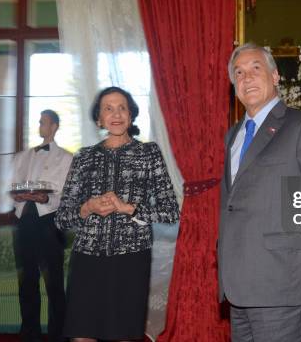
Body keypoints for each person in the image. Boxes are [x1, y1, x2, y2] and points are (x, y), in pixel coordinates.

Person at [218, 43, 301, 342]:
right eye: (239, 73)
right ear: (234, 86)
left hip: (283, 281)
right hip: (238, 285)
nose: (246, 78)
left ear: (274, 77)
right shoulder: (233, 135)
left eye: (255, 69)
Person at [55, 86, 179, 342]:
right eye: (108, 109)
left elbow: (170, 211)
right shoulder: (84, 157)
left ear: (131, 115)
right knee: (82, 335)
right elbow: (62, 217)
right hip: (86, 258)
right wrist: (87, 207)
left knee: (124, 334)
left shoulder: (149, 153)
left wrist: (129, 208)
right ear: (99, 118)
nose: (116, 114)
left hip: (131, 259)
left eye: (122, 108)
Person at [10, 109, 72, 342]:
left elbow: (65, 193)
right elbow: (12, 184)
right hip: (23, 220)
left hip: (49, 222)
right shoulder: (21, 157)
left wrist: (46, 198)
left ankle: (59, 335)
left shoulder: (66, 158)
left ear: (54, 126)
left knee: (54, 282)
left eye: (43, 122)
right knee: (26, 281)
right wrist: (15, 196)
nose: (39, 125)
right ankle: (29, 333)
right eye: (39, 122)